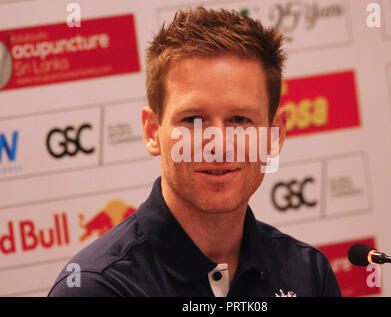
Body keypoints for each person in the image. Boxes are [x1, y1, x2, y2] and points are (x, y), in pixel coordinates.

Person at [48, 7, 341, 297]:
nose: (218, 145)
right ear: (153, 132)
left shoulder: (308, 273)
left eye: (240, 120)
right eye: (193, 120)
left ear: (274, 134)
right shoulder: (95, 289)